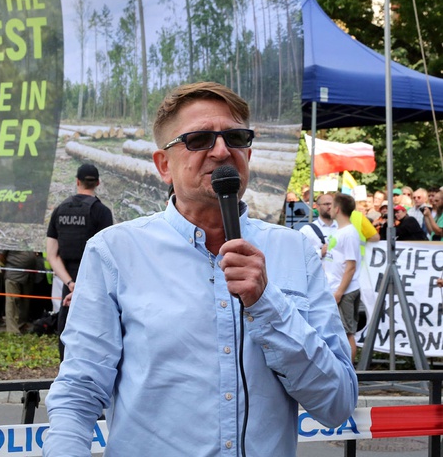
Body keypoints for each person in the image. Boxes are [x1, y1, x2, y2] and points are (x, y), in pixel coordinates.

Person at [43, 82, 357, 456]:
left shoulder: (294, 252)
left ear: (249, 154)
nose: (222, 151)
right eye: (199, 139)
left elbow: (337, 405)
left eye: (235, 137)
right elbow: (78, 394)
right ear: (163, 165)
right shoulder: (115, 253)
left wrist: (267, 305)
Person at [46, 163, 114, 360]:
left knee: (66, 335)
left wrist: (70, 283)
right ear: (98, 183)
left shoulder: (59, 210)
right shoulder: (102, 212)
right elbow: (106, 253)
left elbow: (52, 255)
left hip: (69, 284)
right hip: (94, 284)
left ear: (77, 181)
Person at [325, 193, 362, 361]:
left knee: (347, 333)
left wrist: (339, 292)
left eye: (331, 206)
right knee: (338, 332)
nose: (329, 209)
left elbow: (351, 266)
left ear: (338, 209)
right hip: (335, 289)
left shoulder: (349, 233)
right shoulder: (339, 231)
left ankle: (350, 373)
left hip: (345, 291)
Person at [0, 250, 36, 334]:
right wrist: (5, 269)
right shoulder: (10, 239)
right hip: (13, 275)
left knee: (25, 301)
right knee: (12, 301)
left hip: (27, 275)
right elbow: (1, 256)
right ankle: (12, 330)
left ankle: (21, 325)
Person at [299, 193, 336, 260]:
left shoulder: (342, 227)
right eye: (326, 204)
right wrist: (320, 253)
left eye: (332, 204)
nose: (330, 207)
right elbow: (299, 254)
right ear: (317, 206)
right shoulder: (307, 230)